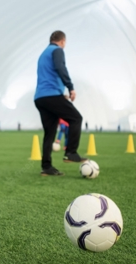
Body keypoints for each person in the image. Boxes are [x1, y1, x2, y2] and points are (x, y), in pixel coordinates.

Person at [34, 30, 87, 176]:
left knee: (49, 133)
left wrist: (59, 93)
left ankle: (47, 167)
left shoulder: (43, 54)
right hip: (51, 96)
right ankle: (71, 152)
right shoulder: (57, 50)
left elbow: (48, 76)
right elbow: (60, 68)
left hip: (40, 98)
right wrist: (70, 87)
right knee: (76, 118)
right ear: (62, 41)